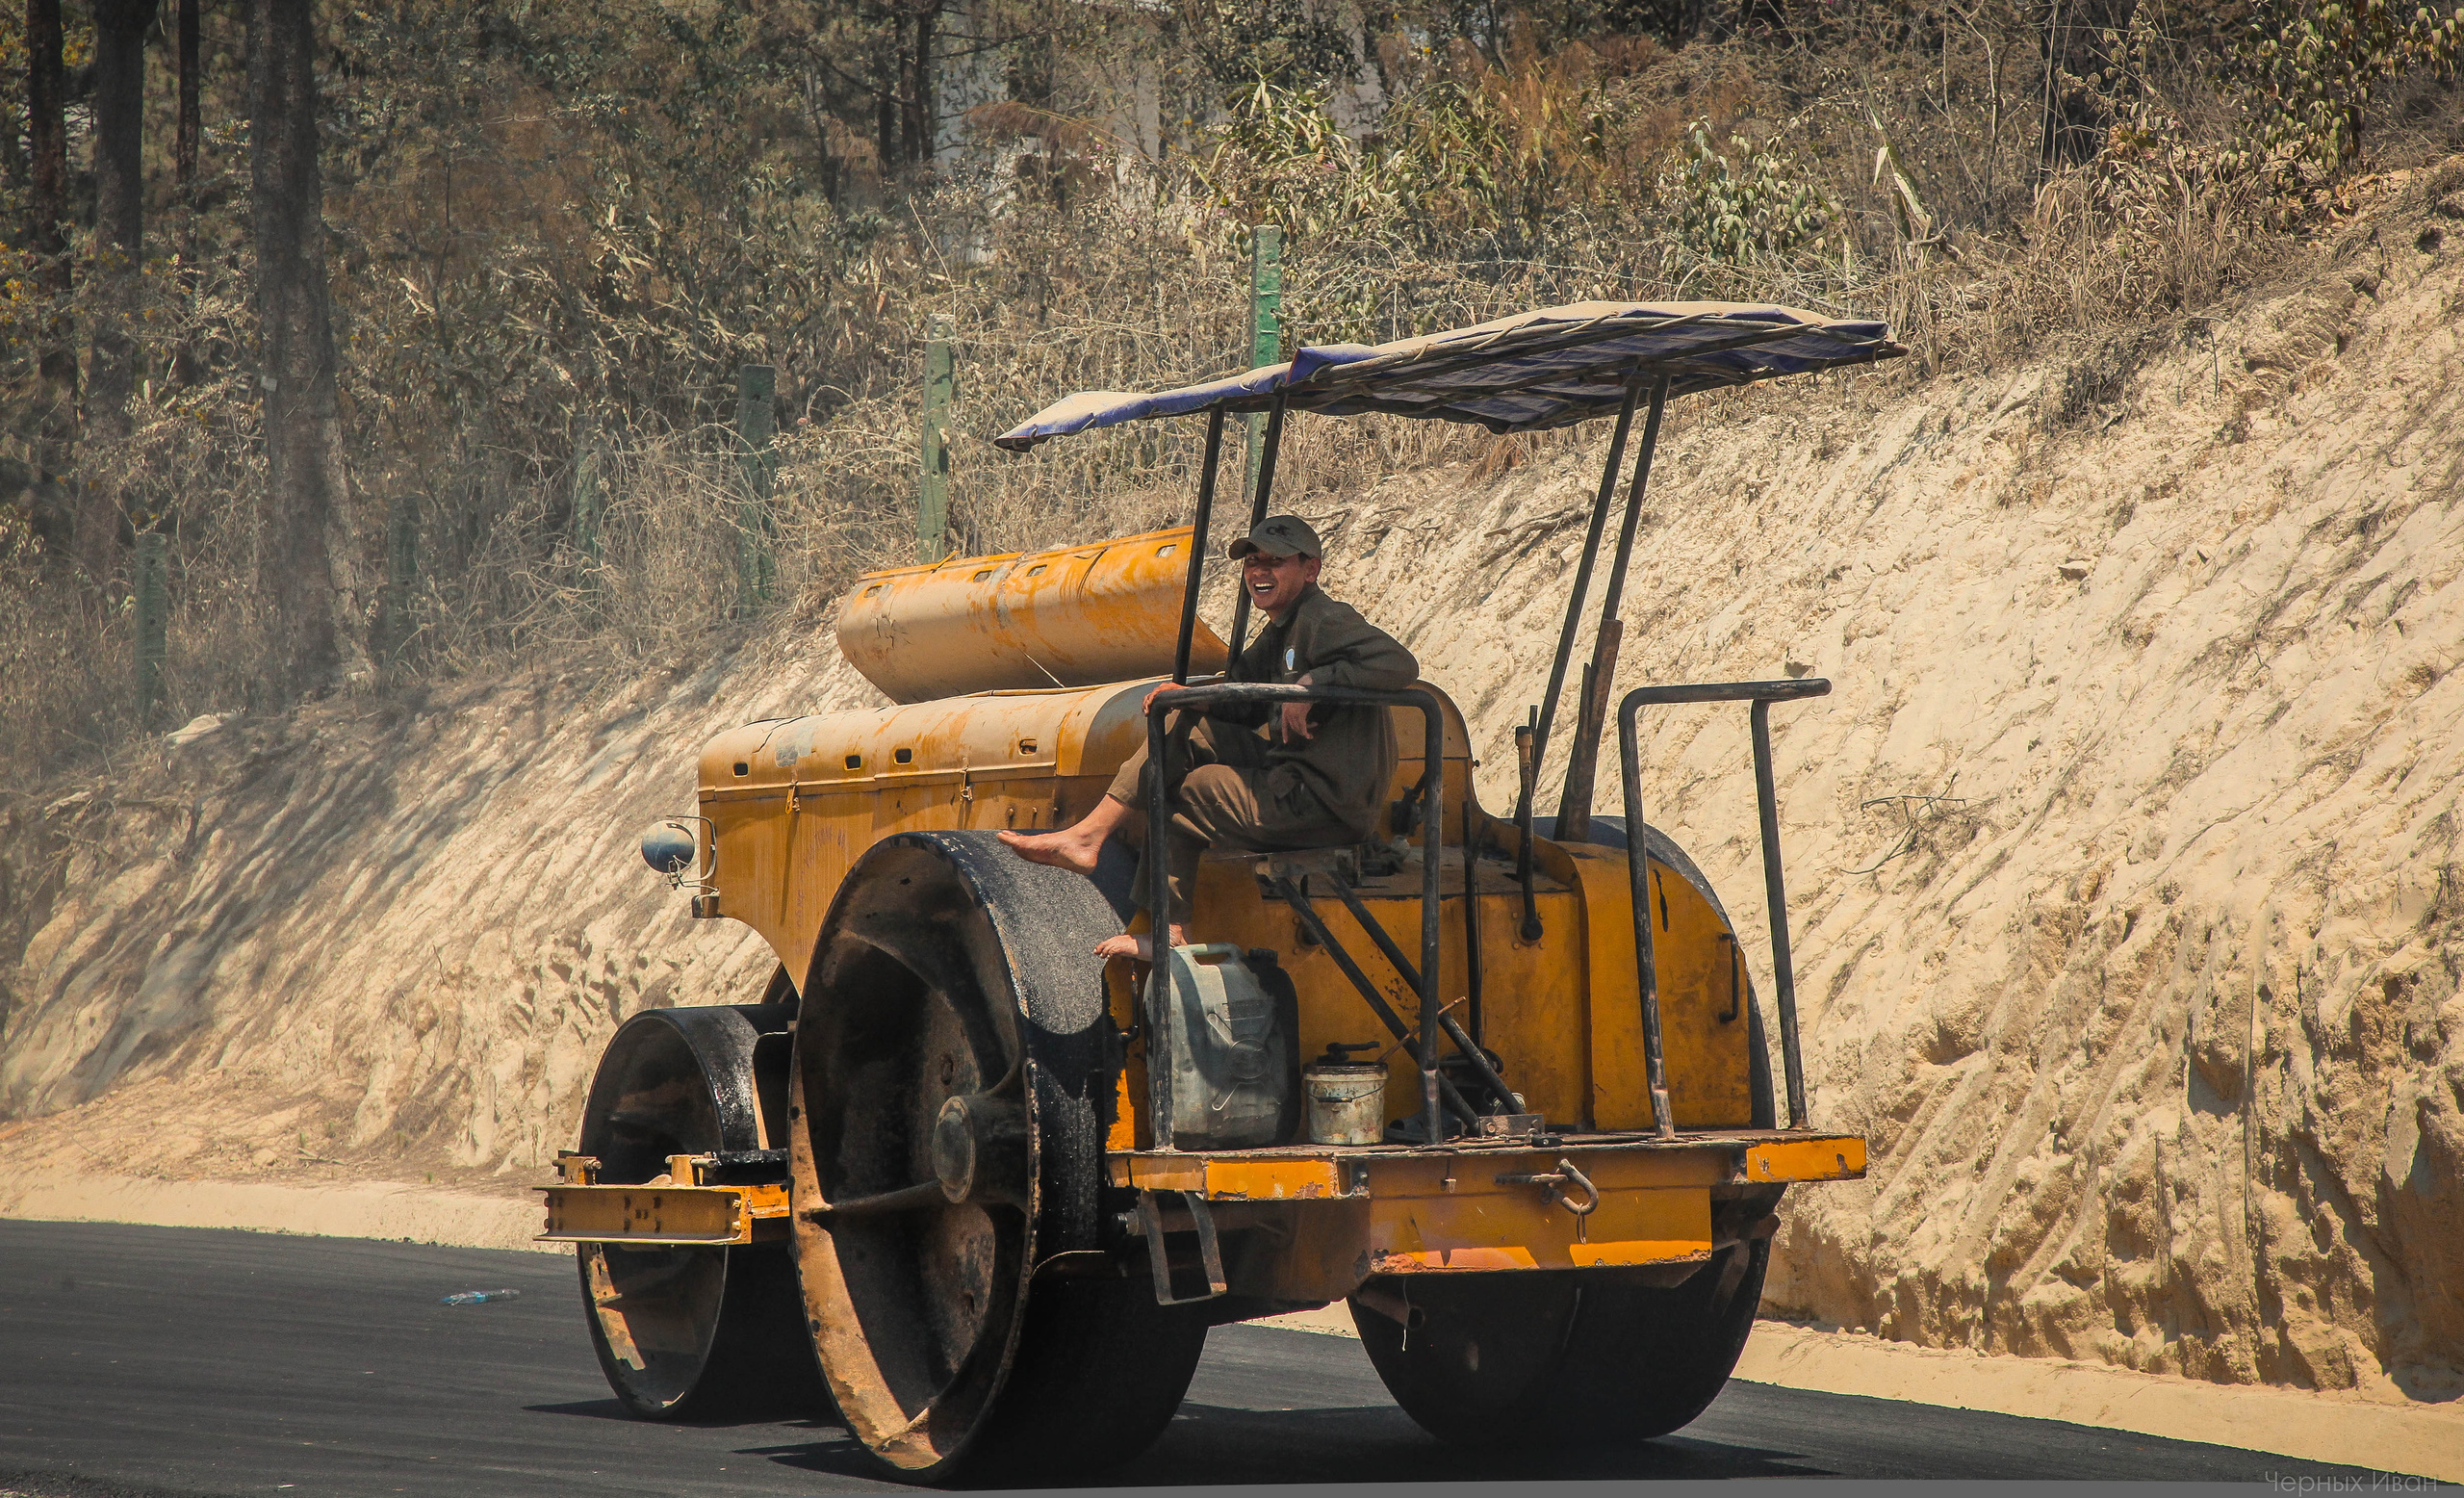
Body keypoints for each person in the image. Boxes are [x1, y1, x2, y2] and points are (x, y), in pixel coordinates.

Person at [999, 515, 1420, 958]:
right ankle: (1089, 837)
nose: (1259, 571)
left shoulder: (1324, 618)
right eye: (1253, 561)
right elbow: (1242, 701)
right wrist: (1189, 697)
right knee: (1180, 722)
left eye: (1275, 561)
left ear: (1310, 569)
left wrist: (1312, 685)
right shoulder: (1282, 630)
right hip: (1295, 778)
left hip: (1323, 800)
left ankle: (1168, 927)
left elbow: (1399, 664)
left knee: (1190, 792)